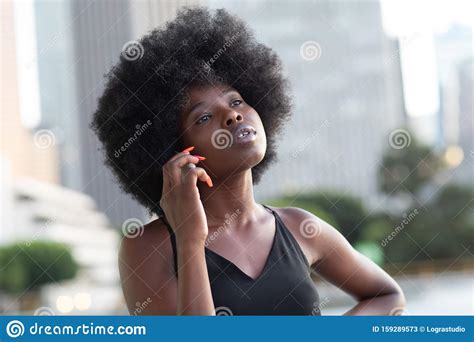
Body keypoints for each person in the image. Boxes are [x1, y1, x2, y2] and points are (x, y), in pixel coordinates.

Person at [91, 7, 405, 315]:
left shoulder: (298, 226)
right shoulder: (147, 248)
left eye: (237, 100)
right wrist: (190, 240)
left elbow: (388, 296)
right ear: (176, 152)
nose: (232, 115)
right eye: (203, 117)